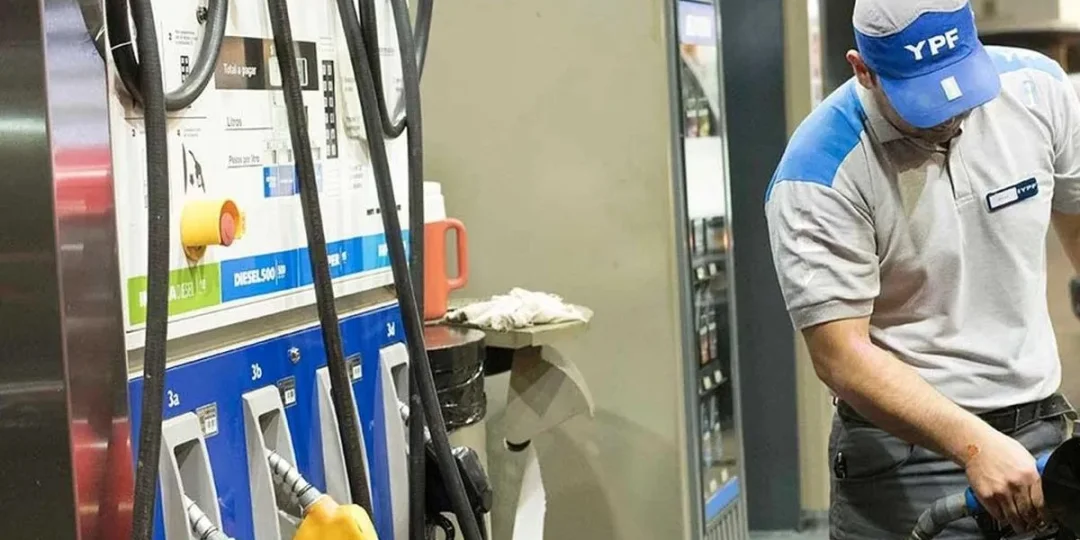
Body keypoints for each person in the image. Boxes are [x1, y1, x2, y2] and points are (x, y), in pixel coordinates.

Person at [765, 0, 1080, 537]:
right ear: (863, 71)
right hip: (905, 455)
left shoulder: (1038, 90)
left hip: (1038, 426)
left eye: (961, 82)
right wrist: (973, 445)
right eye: (926, 97)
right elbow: (841, 356)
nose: (952, 111)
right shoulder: (818, 172)